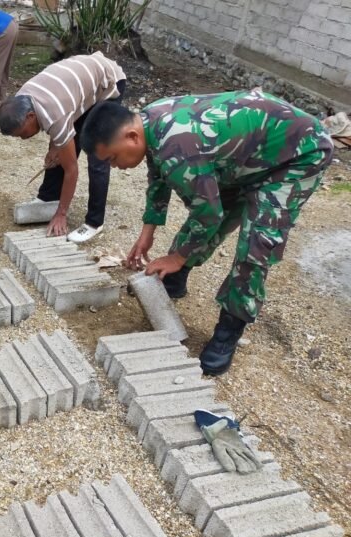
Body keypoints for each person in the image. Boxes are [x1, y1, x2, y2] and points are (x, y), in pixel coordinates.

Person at [80, 89, 334, 375]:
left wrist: (177, 257)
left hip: (298, 154)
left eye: (113, 158)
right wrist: (147, 231)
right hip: (247, 156)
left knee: (257, 244)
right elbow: (158, 177)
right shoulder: (148, 121)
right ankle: (176, 280)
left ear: (131, 137)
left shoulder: (177, 146)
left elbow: (209, 214)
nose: (116, 167)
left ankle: (229, 330)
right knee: (210, 206)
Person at [0, 52, 127, 243]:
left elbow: (71, 170)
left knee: (97, 156)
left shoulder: (54, 114)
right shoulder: (21, 99)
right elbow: (58, 132)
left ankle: (94, 222)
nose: (23, 139)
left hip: (108, 83)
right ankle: (48, 197)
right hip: (80, 87)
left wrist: (61, 214)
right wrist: (54, 148)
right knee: (60, 149)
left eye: (22, 133)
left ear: (30, 116)